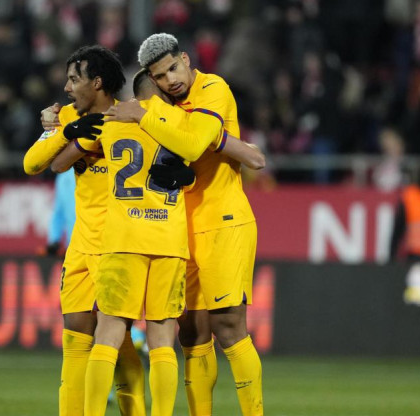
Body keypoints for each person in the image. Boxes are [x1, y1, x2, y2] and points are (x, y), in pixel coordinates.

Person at [104, 33, 264, 416]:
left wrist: (144, 114)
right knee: (192, 332)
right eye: (160, 76)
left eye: (174, 68)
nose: (171, 79)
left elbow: (192, 147)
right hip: (179, 228)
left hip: (224, 221)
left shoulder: (212, 89)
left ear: (187, 60)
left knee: (228, 326)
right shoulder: (163, 107)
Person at [24, 45, 170, 416]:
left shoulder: (131, 118)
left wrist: (69, 137)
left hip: (118, 245)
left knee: (115, 341)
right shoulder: (69, 116)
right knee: (75, 336)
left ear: (98, 82)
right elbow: (36, 164)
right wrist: (64, 129)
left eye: (75, 79)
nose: (67, 87)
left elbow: (59, 164)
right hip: (82, 244)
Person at [49, 64, 200, 416]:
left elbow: (59, 163)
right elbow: (194, 166)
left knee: (108, 335)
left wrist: (57, 127)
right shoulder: (180, 122)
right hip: (167, 238)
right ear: (161, 90)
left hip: (122, 239)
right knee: (162, 339)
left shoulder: (112, 121)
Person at [45, 169, 76, 257]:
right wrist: (54, 240)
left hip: (100, 244)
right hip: (73, 247)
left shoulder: (99, 168)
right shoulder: (64, 175)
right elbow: (58, 211)